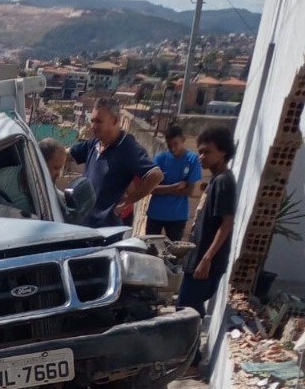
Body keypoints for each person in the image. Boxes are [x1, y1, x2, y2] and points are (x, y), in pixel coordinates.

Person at [69, 97, 163, 228]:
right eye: (92, 121)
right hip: (85, 226)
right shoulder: (94, 143)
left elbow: (156, 175)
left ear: (114, 121)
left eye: (98, 121)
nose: (93, 126)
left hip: (107, 231)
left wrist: (127, 202)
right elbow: (67, 155)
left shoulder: (128, 148)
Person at [178, 126, 236, 318]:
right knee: (190, 311)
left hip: (205, 263)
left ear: (223, 152)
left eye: (207, 152)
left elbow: (226, 223)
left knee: (185, 312)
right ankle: (193, 348)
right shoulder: (215, 180)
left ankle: (191, 349)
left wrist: (207, 259)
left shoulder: (223, 182)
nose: (201, 156)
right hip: (198, 259)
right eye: (200, 152)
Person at [146, 124, 202, 241]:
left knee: (173, 253)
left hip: (177, 216)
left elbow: (190, 191)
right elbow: (151, 189)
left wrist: (162, 189)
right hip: (155, 214)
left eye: (175, 144)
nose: (173, 148)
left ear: (183, 140)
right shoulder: (160, 158)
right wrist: (176, 186)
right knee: (149, 249)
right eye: (169, 145)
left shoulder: (192, 159)